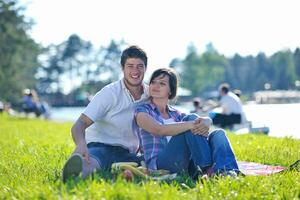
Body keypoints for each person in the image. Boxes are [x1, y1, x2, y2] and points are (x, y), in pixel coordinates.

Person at [62, 45, 150, 182]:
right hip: (100, 146)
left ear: (145, 68)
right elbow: (80, 124)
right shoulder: (109, 93)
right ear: (122, 68)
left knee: (151, 164)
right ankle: (75, 174)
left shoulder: (149, 95)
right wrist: (80, 144)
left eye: (140, 66)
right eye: (130, 66)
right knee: (91, 162)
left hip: (128, 154)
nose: (135, 71)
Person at [135, 68, 240, 178]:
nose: (156, 86)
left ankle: (228, 172)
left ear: (171, 90)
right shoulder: (142, 110)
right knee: (191, 119)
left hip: (186, 163)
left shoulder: (177, 114)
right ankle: (206, 168)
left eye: (162, 83)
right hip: (161, 164)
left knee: (218, 134)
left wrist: (208, 121)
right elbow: (159, 130)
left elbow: (200, 128)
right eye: (153, 82)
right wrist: (191, 124)